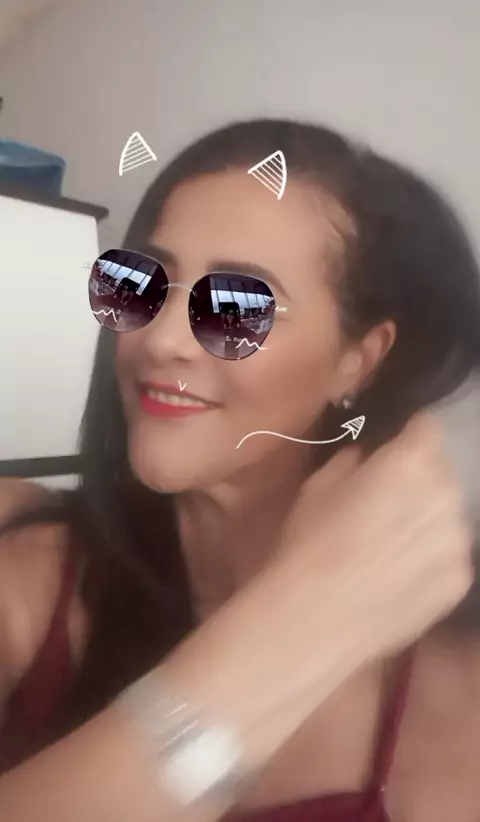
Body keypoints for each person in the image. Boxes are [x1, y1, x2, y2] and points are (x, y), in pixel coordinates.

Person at [0, 117, 478, 822]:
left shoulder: (454, 691)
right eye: (145, 283)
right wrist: (296, 624)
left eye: (237, 305)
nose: (161, 338)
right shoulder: (26, 570)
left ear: (360, 359)